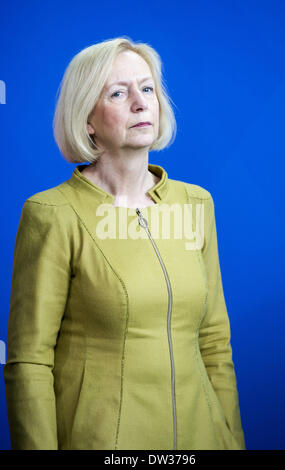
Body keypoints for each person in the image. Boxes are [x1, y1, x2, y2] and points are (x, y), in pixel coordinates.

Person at [3, 36, 246, 450]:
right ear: (87, 119)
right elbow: (29, 362)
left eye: (147, 88)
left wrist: (231, 439)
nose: (140, 102)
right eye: (119, 92)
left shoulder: (196, 203)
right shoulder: (52, 213)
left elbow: (214, 343)